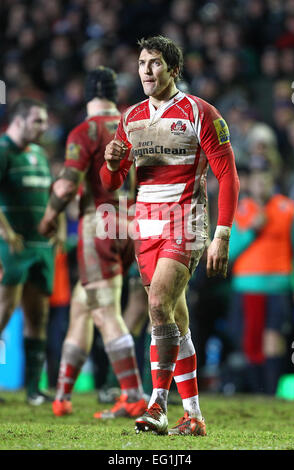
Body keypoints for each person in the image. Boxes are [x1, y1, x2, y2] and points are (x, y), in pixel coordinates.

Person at [100, 36, 240, 436]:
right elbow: (112, 183)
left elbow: (227, 175)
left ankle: (157, 405)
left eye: (155, 63)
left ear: (173, 69)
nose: (146, 70)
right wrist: (111, 165)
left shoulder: (201, 113)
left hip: (187, 222)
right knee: (174, 318)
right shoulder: (131, 118)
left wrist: (223, 234)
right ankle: (193, 416)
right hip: (146, 229)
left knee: (158, 302)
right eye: (142, 62)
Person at [38, 67, 148, 419]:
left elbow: (68, 184)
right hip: (131, 224)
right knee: (83, 306)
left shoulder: (85, 130)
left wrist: (49, 216)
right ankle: (63, 394)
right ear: (115, 94)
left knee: (103, 309)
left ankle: (132, 394)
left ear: (87, 95)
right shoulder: (136, 123)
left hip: (98, 224)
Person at [0, 98, 54, 405]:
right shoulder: (3, 151)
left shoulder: (39, 154)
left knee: (39, 315)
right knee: (4, 310)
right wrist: (6, 233)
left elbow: (50, 197)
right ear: (19, 121)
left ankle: (34, 389)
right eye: (37, 121)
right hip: (12, 246)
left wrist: (56, 227)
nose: (44, 127)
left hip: (41, 246)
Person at [228, 163, 294, 394]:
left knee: (273, 339)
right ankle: (257, 391)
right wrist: (251, 230)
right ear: (251, 183)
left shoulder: (288, 209)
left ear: (273, 181)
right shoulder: (240, 210)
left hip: (278, 285)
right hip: (246, 285)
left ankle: (270, 392)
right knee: (250, 341)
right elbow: (228, 252)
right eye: (257, 180)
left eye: (266, 180)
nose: (261, 185)